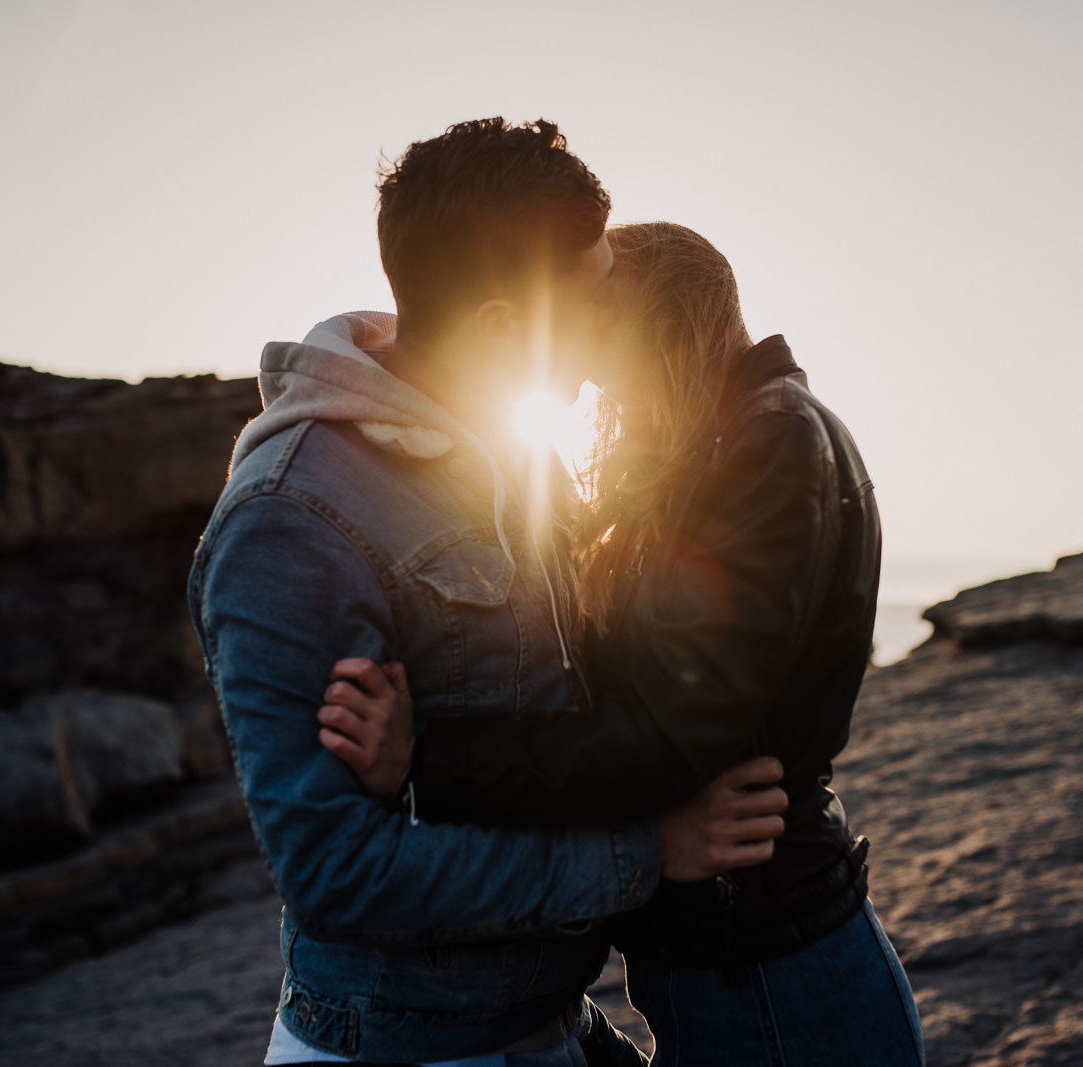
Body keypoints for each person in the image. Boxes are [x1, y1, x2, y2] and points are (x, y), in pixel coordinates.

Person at [189, 120, 790, 1067]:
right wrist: (646, 852)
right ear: (505, 328)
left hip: (551, 1027)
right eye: (595, 301)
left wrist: (428, 759)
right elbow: (337, 874)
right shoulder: (290, 520)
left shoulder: (520, 451)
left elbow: (565, 700)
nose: (610, 335)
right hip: (409, 1047)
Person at [318, 223, 926, 1065]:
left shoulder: (769, 442)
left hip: (769, 966)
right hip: (732, 954)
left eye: (594, 334)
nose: (582, 382)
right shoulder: (731, 439)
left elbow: (674, 729)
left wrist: (433, 759)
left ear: (664, 322)